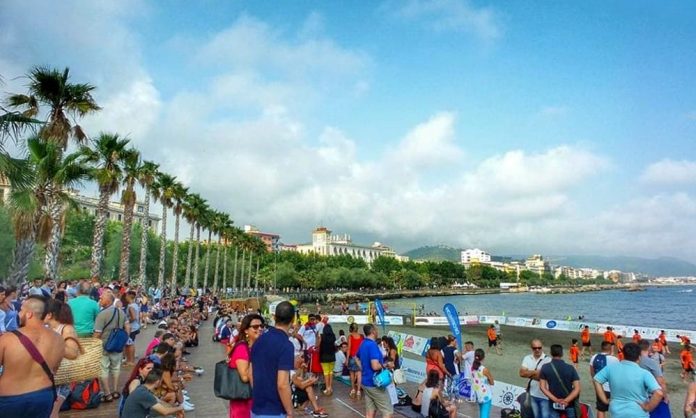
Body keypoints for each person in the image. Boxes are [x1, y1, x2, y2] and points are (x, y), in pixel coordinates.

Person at [0, 295, 66, 418]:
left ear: (29, 314)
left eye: (21, 310)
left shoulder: (7, 339)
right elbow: (55, 369)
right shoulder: (59, 339)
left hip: (10, 399)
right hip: (43, 395)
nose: (19, 314)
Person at [593, 342, 663, 418]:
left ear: (623, 355)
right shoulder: (644, 373)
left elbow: (596, 380)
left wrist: (604, 400)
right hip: (638, 413)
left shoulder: (611, 368)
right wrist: (648, 407)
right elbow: (659, 393)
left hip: (617, 412)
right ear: (639, 357)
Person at [251, 301, 295, 418]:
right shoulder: (286, 345)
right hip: (275, 411)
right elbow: (282, 384)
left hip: (257, 408)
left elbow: (251, 374)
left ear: (274, 317)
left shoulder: (258, 341)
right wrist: (290, 412)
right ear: (293, 320)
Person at [43, 298, 80, 418]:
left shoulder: (66, 329)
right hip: (50, 378)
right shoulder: (47, 328)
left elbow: (73, 353)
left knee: (52, 414)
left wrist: (52, 343)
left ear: (49, 315)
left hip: (61, 379)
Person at [93, 289, 130, 402]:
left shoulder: (102, 314)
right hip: (117, 346)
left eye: (102, 298)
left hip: (104, 346)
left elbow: (97, 333)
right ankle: (115, 391)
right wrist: (124, 339)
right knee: (116, 368)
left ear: (108, 301)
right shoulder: (121, 312)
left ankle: (107, 393)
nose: (100, 299)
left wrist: (92, 346)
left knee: (103, 369)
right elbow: (128, 326)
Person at [229, 313, 265, 418]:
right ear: (246, 330)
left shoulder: (256, 348)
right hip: (243, 401)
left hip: (254, 398)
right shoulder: (242, 348)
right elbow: (244, 376)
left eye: (262, 326)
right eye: (255, 327)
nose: (260, 329)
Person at [358, 323, 392, 418]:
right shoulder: (372, 345)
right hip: (375, 383)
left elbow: (356, 357)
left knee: (370, 411)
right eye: (376, 330)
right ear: (373, 331)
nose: (377, 332)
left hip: (366, 382)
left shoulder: (363, 343)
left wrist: (363, 368)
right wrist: (386, 364)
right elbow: (375, 366)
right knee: (387, 411)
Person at [539, 344, 581, 418]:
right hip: (569, 402)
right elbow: (577, 388)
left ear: (551, 353)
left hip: (553, 402)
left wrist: (556, 400)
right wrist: (566, 401)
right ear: (562, 353)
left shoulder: (545, 367)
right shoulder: (570, 368)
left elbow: (542, 387)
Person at [520, 339, 552, 418]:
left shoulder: (548, 360)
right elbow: (521, 373)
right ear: (531, 348)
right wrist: (536, 372)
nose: (537, 350)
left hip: (545, 395)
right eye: (535, 348)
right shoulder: (527, 358)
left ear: (542, 347)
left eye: (539, 348)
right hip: (532, 393)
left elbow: (546, 378)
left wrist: (528, 373)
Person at [639, 339, 671, 417]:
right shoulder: (651, 362)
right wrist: (665, 396)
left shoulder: (634, 361)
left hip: (637, 395)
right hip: (651, 395)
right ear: (649, 347)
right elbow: (661, 382)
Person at [589, 341, 620, 418]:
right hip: (612, 388)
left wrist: (596, 384)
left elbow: (592, 372)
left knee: (601, 410)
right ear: (610, 349)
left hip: (600, 388)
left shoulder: (594, 357)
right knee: (616, 410)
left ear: (601, 347)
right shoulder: (615, 359)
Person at [471, 348, 494, 418]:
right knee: (484, 415)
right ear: (483, 358)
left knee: (482, 412)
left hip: (478, 393)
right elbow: (492, 382)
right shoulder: (484, 369)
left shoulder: (472, 368)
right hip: (485, 394)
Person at [346, 322, 364, 399]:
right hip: (360, 357)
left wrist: (347, 359)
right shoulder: (361, 336)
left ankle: (353, 389)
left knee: (352, 374)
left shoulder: (350, 337)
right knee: (359, 374)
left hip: (352, 357)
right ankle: (359, 391)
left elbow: (349, 348)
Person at [319, 323, 337, 396]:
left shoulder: (322, 336)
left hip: (324, 357)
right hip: (332, 356)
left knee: (326, 373)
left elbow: (319, 346)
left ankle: (327, 388)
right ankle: (330, 387)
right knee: (331, 372)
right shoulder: (333, 336)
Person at [125, 290, 141, 366]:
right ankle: (130, 360)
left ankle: (131, 361)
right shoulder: (135, 305)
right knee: (131, 343)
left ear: (129, 296)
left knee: (130, 344)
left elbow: (133, 317)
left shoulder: (131, 306)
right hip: (135, 327)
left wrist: (127, 321)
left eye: (126, 296)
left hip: (132, 327)